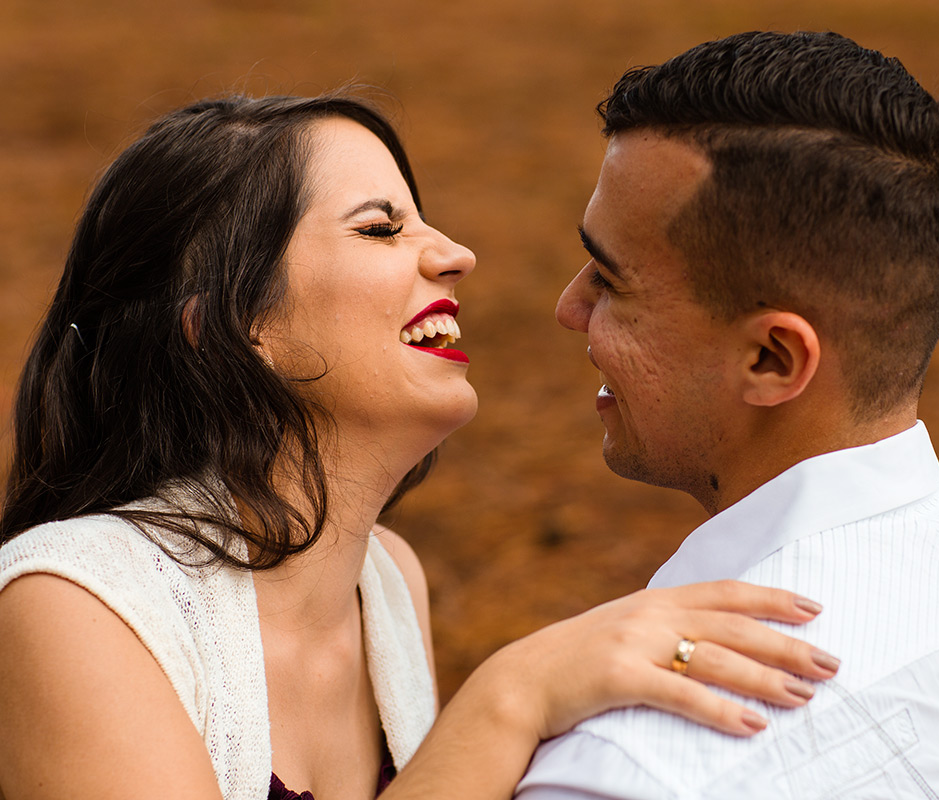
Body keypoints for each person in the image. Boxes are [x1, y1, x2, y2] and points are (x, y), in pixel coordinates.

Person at [0, 95, 843, 800]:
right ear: (234, 328)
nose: (455, 254)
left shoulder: (388, 582)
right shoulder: (75, 606)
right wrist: (513, 696)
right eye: (380, 228)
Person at [518, 30, 939, 798]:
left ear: (773, 361)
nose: (568, 308)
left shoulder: (632, 766)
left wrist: (506, 691)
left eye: (611, 283)